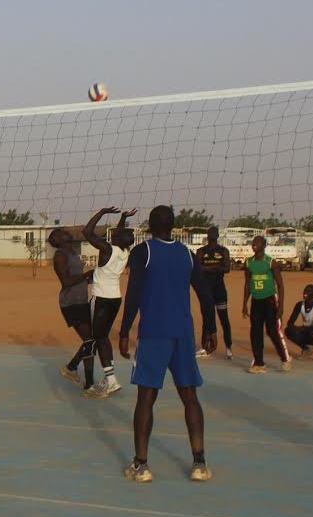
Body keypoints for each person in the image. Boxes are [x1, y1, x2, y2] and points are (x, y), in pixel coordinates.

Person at [118, 205, 209, 483]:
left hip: (154, 334)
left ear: (150, 226)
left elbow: (133, 294)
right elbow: (204, 293)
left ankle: (141, 465)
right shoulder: (188, 255)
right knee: (189, 397)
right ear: (173, 226)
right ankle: (199, 463)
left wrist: (123, 331)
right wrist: (211, 328)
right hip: (183, 334)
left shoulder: (143, 252)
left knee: (146, 398)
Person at [81, 206, 137, 398]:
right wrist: (122, 217)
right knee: (102, 337)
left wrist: (102, 212)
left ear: (117, 239)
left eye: (117, 233)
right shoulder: (125, 251)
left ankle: (110, 380)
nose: (114, 233)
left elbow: (86, 232)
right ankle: (109, 378)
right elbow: (121, 234)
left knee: (99, 338)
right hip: (115, 299)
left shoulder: (107, 249)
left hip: (101, 298)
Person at [51, 227, 95, 391]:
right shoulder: (60, 256)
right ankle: (73, 369)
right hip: (71, 303)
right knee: (90, 341)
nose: (67, 231)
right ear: (58, 239)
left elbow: (76, 277)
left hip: (81, 300)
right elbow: (66, 281)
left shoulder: (72, 252)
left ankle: (84, 378)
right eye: (62, 232)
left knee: (90, 341)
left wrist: (90, 280)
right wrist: (86, 275)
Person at [242, 235, 291, 374]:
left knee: (272, 331)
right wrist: (244, 303)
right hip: (256, 301)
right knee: (255, 332)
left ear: (264, 245)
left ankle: (285, 359)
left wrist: (280, 306)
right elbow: (247, 284)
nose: (254, 245)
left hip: (269, 300)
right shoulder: (248, 263)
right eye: (253, 242)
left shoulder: (271, 263)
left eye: (257, 243)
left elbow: (280, 285)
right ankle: (259, 363)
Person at [193, 226, 234, 359]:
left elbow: (227, 268)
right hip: (206, 290)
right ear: (207, 235)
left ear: (217, 235)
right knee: (207, 317)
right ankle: (205, 347)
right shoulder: (201, 251)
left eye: (213, 233)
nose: (211, 235)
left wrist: (208, 268)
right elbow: (198, 268)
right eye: (210, 233)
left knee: (224, 319)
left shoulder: (223, 251)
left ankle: (228, 347)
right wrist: (217, 267)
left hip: (219, 289)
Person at [284, 284, 313, 358]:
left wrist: (301, 328)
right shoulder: (299, 305)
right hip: (306, 331)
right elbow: (290, 322)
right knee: (288, 331)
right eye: (305, 290)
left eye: (309, 291)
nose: (305, 292)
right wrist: (294, 328)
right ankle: (306, 349)